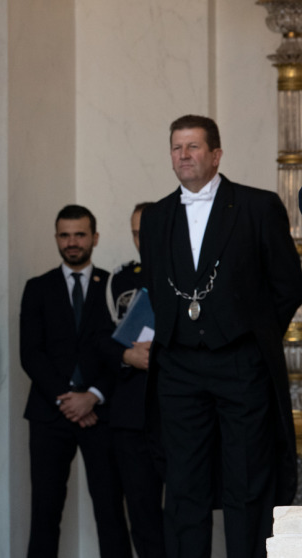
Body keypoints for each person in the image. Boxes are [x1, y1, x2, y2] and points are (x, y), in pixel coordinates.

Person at [140, 115, 302, 558]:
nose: (184, 155)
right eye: (177, 147)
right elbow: (157, 284)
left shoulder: (257, 206)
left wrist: (253, 330)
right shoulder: (155, 216)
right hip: (178, 369)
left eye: (193, 147)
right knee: (184, 486)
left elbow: (288, 284)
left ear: (216, 154)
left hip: (239, 365)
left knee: (246, 483)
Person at [20, 204, 132, 558]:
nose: (72, 242)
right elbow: (30, 354)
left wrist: (94, 395)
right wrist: (70, 398)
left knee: (111, 511)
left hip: (102, 413)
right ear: (56, 238)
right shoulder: (37, 288)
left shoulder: (114, 287)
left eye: (79, 234)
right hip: (50, 414)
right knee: (44, 513)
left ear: (94, 238)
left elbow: (120, 351)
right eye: (65, 235)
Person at [105, 202, 166, 558]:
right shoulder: (120, 279)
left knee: (184, 511)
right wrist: (125, 355)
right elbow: (97, 339)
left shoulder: (185, 273)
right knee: (141, 514)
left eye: (148, 230)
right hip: (131, 414)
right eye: (135, 232)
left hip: (177, 412)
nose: (141, 238)